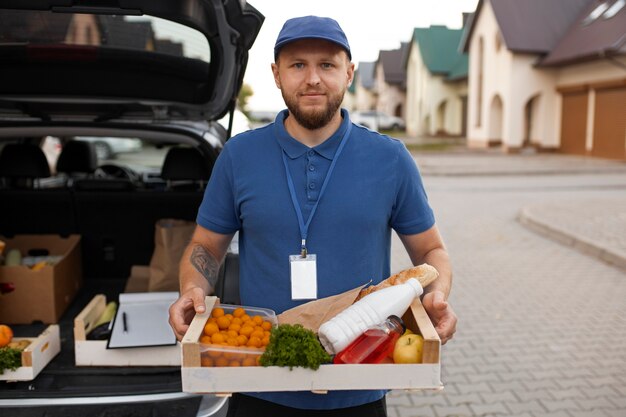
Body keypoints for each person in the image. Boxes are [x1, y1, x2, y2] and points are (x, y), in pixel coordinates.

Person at [169, 15, 457, 417]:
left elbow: (432, 251)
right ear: (276, 74)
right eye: (298, 64)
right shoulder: (239, 156)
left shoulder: (390, 159)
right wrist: (191, 289)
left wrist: (436, 295)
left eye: (327, 64)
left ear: (349, 72)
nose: (313, 79)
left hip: (359, 385)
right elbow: (205, 246)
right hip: (259, 382)